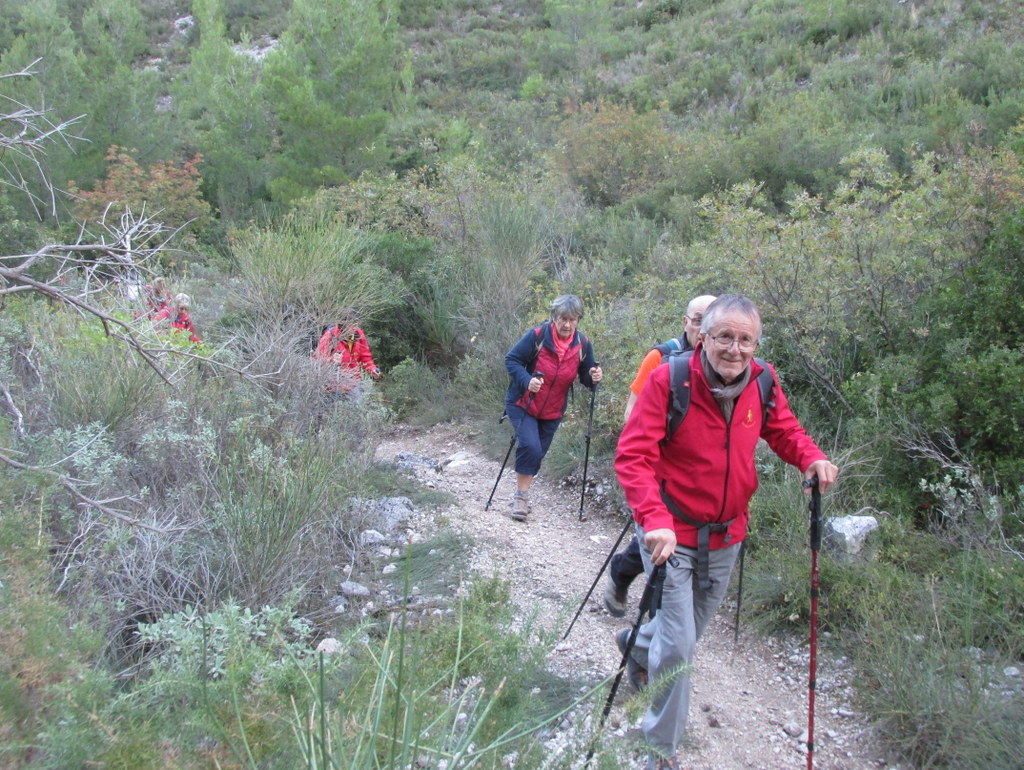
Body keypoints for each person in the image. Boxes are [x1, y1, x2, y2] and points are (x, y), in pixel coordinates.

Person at [613, 294, 839, 770]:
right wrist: (653, 521)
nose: (734, 349)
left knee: (686, 635)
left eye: (745, 340)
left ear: (755, 343)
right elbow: (633, 457)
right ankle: (660, 748)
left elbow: (784, 430)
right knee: (679, 647)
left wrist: (811, 456)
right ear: (703, 336)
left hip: (727, 532)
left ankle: (637, 645)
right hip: (670, 531)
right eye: (724, 337)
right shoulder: (669, 379)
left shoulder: (762, 380)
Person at [604, 294, 716, 617]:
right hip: (658, 474)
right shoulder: (661, 357)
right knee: (661, 542)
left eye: (712, 321)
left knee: (671, 543)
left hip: (699, 480)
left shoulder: (726, 364)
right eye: (699, 320)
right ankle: (653, 643)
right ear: (686, 323)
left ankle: (623, 572)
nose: (705, 329)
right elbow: (632, 415)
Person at [503, 294, 603, 522]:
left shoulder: (583, 344)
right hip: (523, 402)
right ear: (553, 317)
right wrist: (527, 380)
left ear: (578, 319)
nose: (567, 324)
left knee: (539, 453)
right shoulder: (537, 337)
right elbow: (512, 360)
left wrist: (594, 375)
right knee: (530, 447)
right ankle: (521, 498)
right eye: (562, 319)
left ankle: (523, 494)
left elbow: (586, 378)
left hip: (553, 410)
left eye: (572, 319)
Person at [312, 316, 381, 393]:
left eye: (356, 324)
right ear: (343, 324)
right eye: (352, 325)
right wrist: (331, 360)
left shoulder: (358, 334)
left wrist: (372, 369)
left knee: (356, 404)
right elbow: (317, 361)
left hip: (353, 384)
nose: (355, 328)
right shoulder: (330, 336)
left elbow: (365, 356)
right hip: (332, 387)